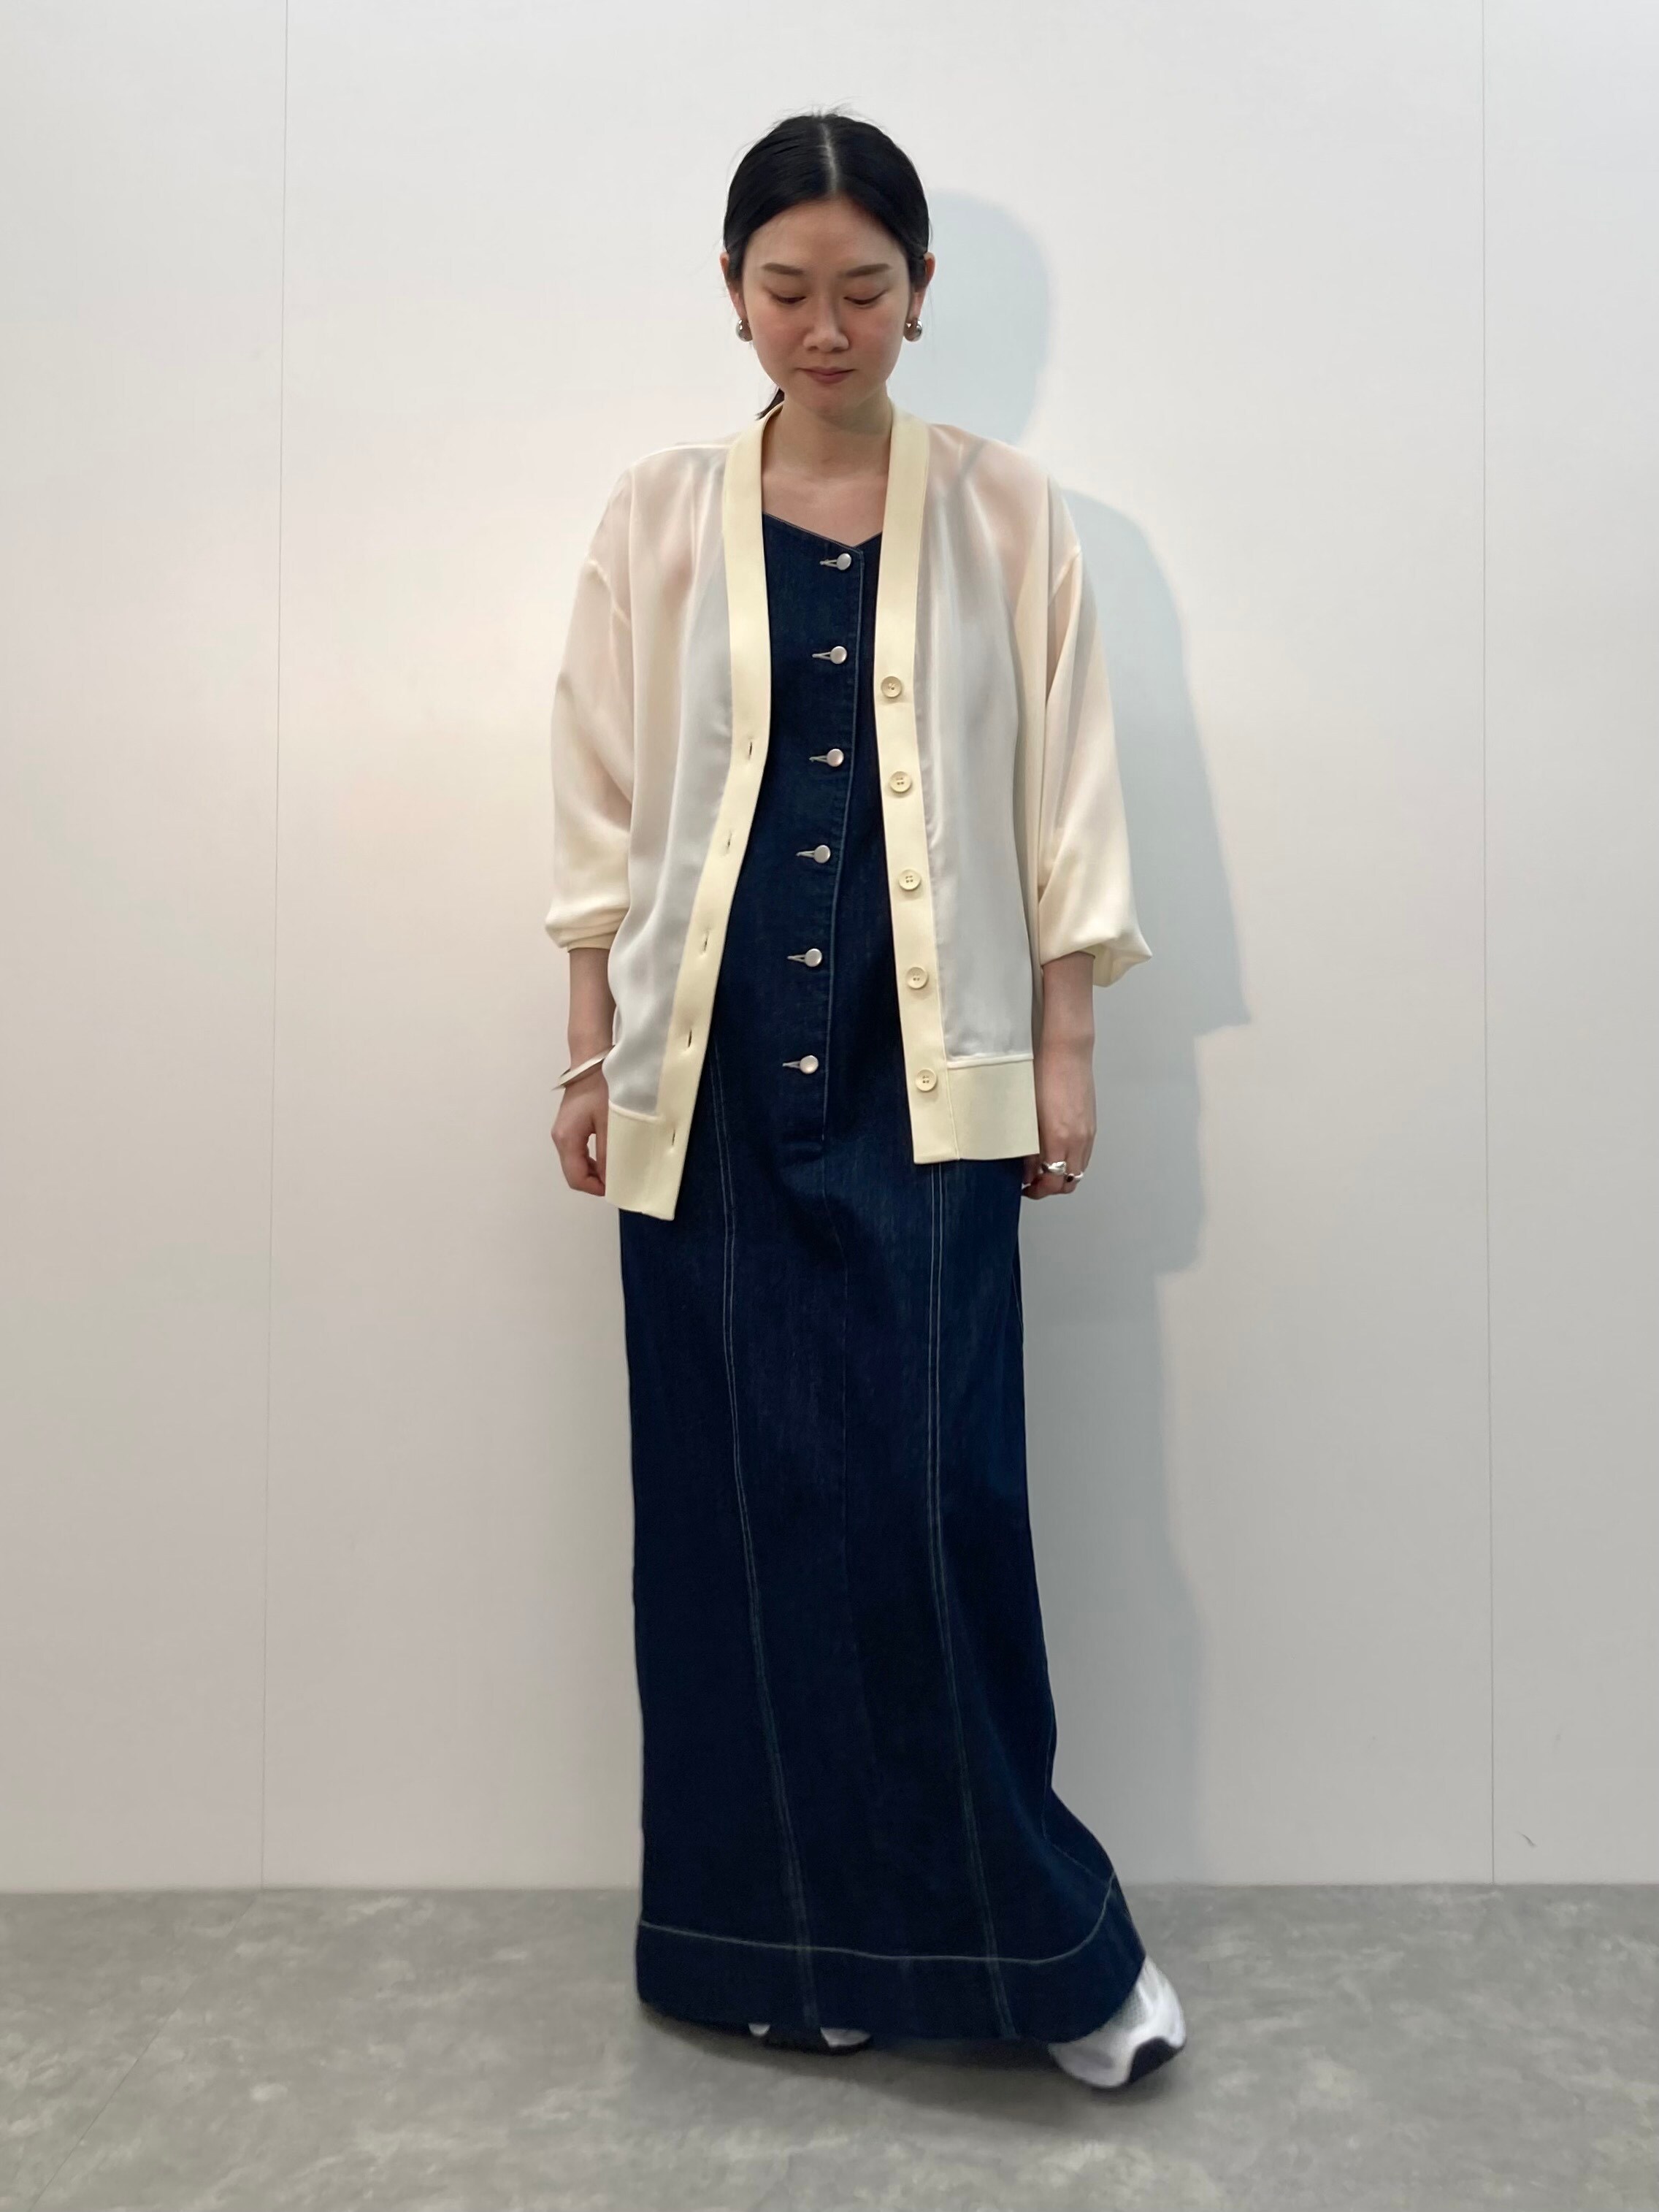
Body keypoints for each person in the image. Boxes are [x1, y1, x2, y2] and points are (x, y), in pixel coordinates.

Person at [545, 107, 1186, 2092]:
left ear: (920, 294)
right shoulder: (657, 517)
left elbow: (1066, 790)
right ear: (733, 297)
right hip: (706, 1089)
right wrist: (585, 1049)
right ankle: (777, 1951)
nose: (824, 328)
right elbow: (601, 804)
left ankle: (1043, 1960)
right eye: (786, 290)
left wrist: (1065, 1050)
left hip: (933, 1082)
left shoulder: (1008, 512)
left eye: (863, 290)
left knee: (932, 1510)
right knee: (736, 1529)